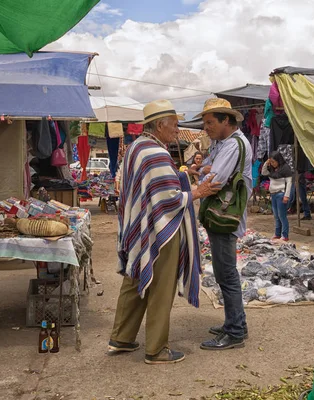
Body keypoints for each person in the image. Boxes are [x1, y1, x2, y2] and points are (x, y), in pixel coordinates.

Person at [108, 100, 221, 364]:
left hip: (140, 227)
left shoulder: (137, 147)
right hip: (161, 229)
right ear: (159, 125)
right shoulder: (156, 153)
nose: (177, 129)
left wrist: (181, 176)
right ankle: (156, 350)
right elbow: (166, 198)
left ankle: (122, 338)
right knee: (160, 286)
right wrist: (197, 192)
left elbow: (147, 188)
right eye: (174, 124)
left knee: (135, 279)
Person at [196, 98, 253, 350]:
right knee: (224, 272)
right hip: (222, 214)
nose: (206, 128)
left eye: (210, 123)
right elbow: (208, 169)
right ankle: (236, 322)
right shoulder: (224, 144)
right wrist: (205, 170)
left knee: (227, 274)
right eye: (205, 123)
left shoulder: (233, 145)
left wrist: (203, 175)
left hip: (225, 216)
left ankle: (235, 332)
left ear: (226, 121)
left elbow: (214, 179)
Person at [262, 151, 293, 241]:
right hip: (273, 194)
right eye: (270, 162)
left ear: (278, 160)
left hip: (281, 193)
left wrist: (286, 195)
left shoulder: (285, 168)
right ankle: (277, 233)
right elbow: (264, 173)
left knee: (282, 215)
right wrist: (266, 163)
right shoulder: (271, 168)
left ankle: (285, 235)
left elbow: (289, 182)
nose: (272, 164)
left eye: (273, 162)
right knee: (276, 215)